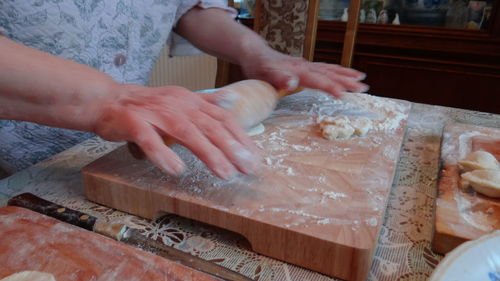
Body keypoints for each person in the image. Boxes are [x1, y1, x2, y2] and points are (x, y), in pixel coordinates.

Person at [0, 1, 367, 179]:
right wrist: (105, 99)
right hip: (11, 162)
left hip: (122, 150)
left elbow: (190, 7)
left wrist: (256, 53)